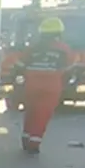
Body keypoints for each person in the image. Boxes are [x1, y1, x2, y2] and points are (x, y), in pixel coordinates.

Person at [21, 16, 72, 154]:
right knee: (42, 114)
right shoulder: (63, 49)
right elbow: (67, 68)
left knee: (31, 111)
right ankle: (34, 143)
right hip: (51, 87)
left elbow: (21, 64)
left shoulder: (32, 48)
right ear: (58, 33)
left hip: (31, 85)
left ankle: (26, 137)